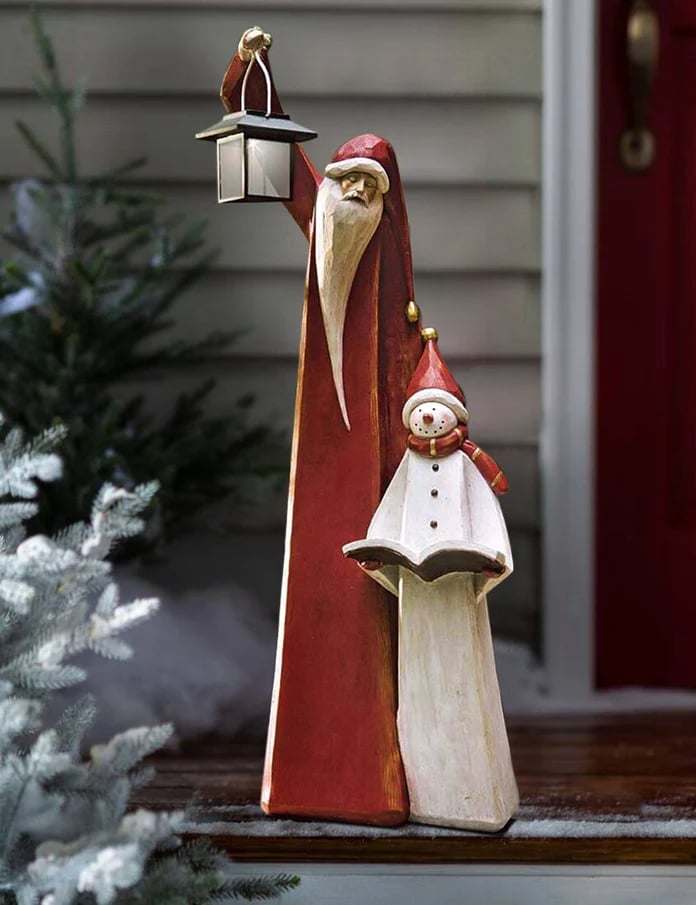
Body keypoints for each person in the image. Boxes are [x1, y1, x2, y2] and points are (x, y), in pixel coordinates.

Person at [220, 28, 422, 824]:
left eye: (362, 190)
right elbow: (262, 135)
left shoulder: (393, 282)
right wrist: (248, 73)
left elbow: (420, 375)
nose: (344, 200)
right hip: (322, 479)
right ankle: (305, 778)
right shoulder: (325, 224)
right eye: (338, 184)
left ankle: (370, 781)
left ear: (385, 203)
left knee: (368, 623)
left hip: (373, 476)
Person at [343, 334, 519, 831]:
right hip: (418, 596)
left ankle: (477, 797)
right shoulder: (408, 468)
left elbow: (487, 515)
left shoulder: (466, 466)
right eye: (420, 412)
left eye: (435, 411)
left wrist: (493, 560)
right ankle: (430, 794)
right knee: (420, 687)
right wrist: (378, 555)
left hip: (458, 583)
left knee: (463, 685)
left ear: (454, 419)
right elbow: (390, 514)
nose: (427, 420)